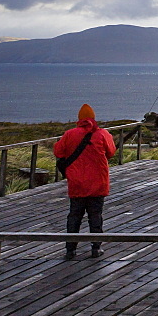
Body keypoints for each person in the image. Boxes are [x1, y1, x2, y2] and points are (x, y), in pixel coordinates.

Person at [53, 103, 117, 260]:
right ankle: (96, 248)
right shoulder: (102, 134)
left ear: (79, 119)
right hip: (97, 181)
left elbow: (58, 151)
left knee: (74, 216)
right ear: (93, 118)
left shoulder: (69, 134)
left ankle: (70, 249)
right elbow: (111, 152)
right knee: (95, 215)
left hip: (77, 182)